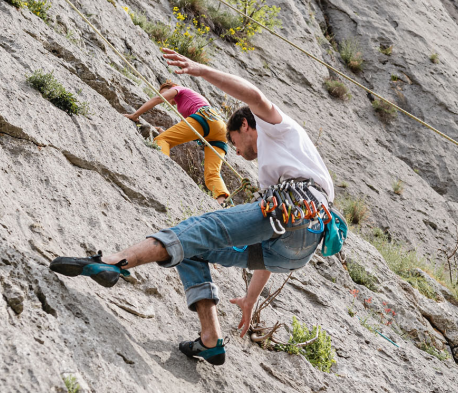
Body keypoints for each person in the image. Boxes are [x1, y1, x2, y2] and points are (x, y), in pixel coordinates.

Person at [50, 47, 334, 366]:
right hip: (295, 251)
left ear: (244, 126)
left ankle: (114, 261)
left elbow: (254, 95)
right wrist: (251, 299)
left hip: (298, 206)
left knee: (197, 229)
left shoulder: (276, 128)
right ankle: (210, 340)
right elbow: (272, 239)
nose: (236, 153)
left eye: (234, 142)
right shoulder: (279, 170)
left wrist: (201, 71)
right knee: (193, 249)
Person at [127, 79, 230, 204]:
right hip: (220, 130)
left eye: (167, 93)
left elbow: (158, 99)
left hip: (204, 118)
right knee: (212, 173)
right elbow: (185, 130)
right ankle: (222, 201)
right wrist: (162, 131)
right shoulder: (191, 101)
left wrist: (135, 115)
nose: (169, 100)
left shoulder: (180, 89)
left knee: (162, 140)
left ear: (173, 87)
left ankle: (161, 170)